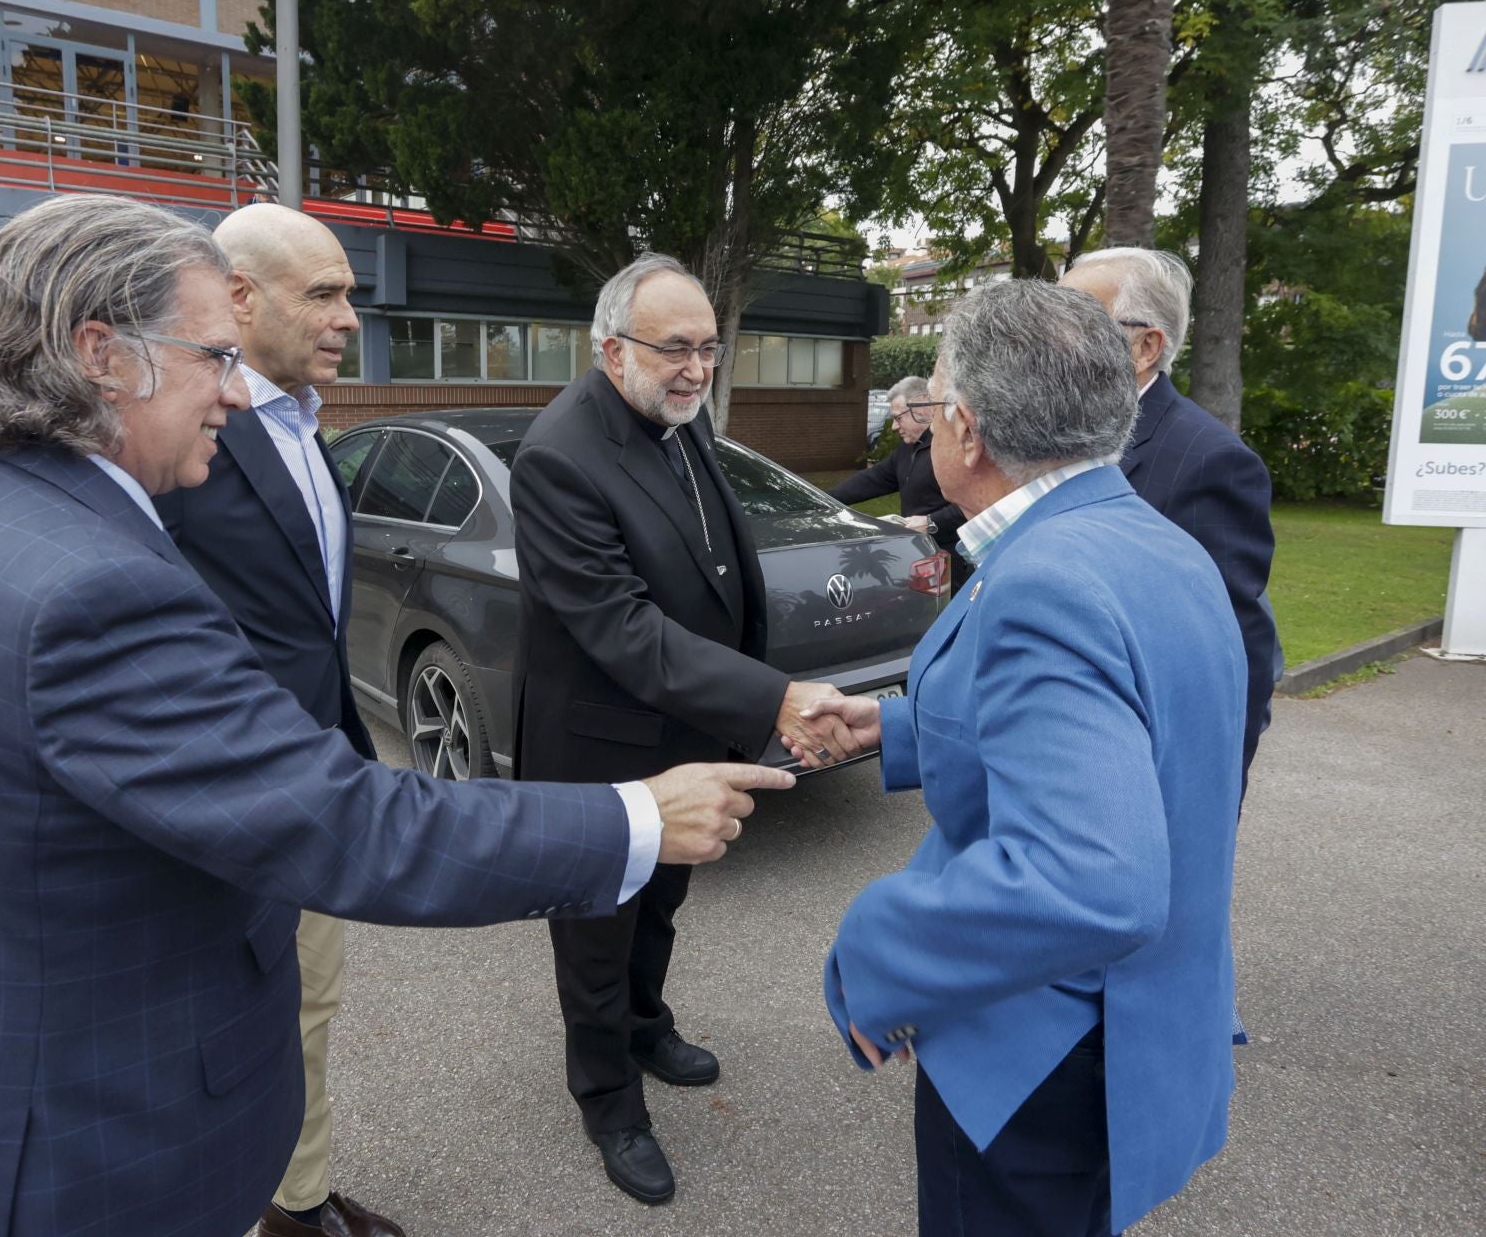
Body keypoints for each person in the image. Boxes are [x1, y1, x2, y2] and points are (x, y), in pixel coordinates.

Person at [0, 195, 789, 1237]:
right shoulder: (82, 589)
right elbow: (349, 823)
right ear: (102, 354)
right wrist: (636, 816)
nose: (234, 394)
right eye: (209, 356)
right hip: (71, 1162)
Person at [797, 280, 1246, 1237]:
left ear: (965, 429)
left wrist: (875, 943)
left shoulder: (1048, 579)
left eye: (934, 414)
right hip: (1127, 1027)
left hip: (1042, 1048)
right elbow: (1130, 723)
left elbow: (1090, 878)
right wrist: (896, 726)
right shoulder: (1150, 541)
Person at [509, 252, 860, 1205]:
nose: (698, 369)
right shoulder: (558, 456)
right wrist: (774, 699)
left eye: (709, 348)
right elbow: (621, 627)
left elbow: (713, 566)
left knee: (661, 903)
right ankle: (609, 1099)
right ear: (611, 348)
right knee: (596, 927)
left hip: (688, 731)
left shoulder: (680, 419)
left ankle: (645, 1026)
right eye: (676, 349)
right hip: (602, 750)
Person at [152, 204, 396, 1237]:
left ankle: (296, 1200)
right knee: (211, 1028)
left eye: (351, 294)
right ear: (239, 298)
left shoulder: (304, 421)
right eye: (326, 294)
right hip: (217, 797)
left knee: (308, 1008)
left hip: (313, 776)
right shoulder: (176, 435)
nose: (349, 317)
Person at [1060, 248, 1282, 776]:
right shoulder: (1053, 435)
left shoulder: (1210, 460)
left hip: (1138, 758)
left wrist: (1210, 796)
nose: (1049, 335)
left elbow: (1230, 653)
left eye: (1076, 319)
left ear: (1145, 346)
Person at [829, 374, 971, 587]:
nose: (895, 427)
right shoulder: (907, 449)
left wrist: (932, 523)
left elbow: (973, 503)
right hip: (923, 556)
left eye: (898, 417)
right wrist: (823, 499)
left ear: (922, 408)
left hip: (956, 563)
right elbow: (871, 480)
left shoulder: (950, 448)